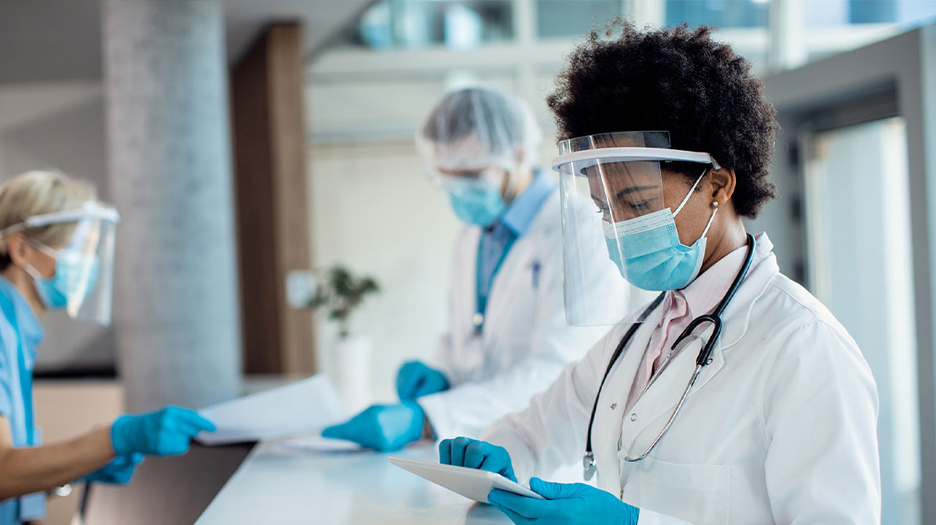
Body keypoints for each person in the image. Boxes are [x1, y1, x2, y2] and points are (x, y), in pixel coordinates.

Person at [438, 24, 881, 524]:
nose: (619, 227)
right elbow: (539, 428)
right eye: (604, 208)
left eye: (637, 203)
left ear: (718, 184)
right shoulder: (639, 334)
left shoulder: (804, 346)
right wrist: (497, 455)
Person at [322, 87, 630, 452]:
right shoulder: (472, 236)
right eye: (446, 177)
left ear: (516, 155)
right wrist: (442, 373)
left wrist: (427, 417)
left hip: (549, 455)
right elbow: (463, 340)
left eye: (468, 176)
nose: (458, 191)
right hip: (473, 446)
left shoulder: (580, 230)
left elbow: (561, 372)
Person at [0, 171, 217, 525]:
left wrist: (78, 470)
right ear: (21, 249)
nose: (88, 263)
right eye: (75, 249)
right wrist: (113, 439)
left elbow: (8, 477)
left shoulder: (14, 333)